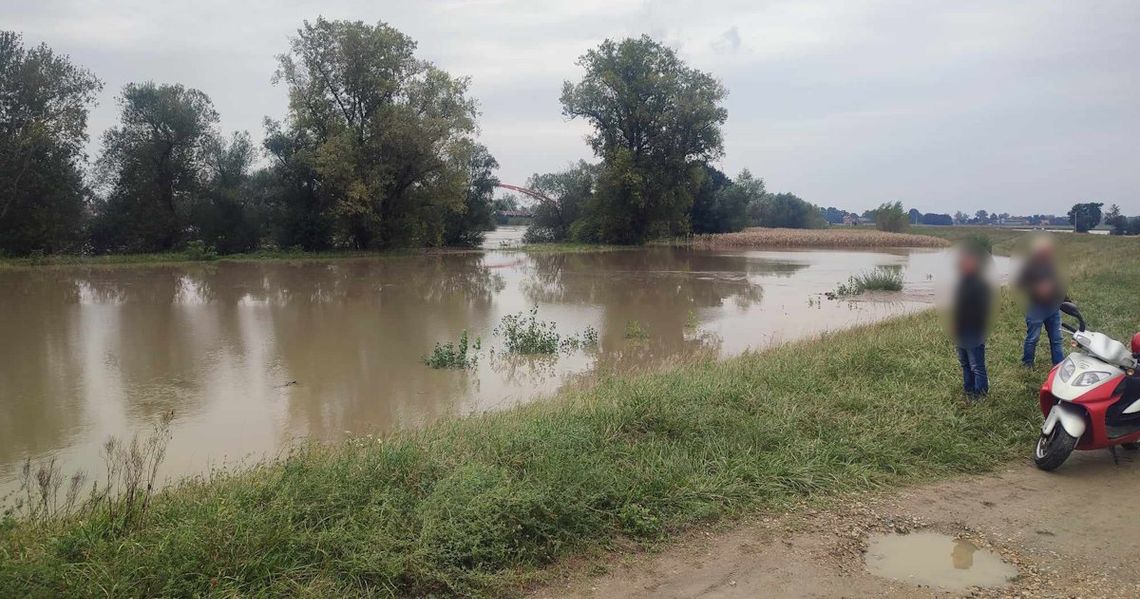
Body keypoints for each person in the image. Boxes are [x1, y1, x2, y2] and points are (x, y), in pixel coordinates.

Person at [1018, 237, 1065, 366]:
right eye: (1045, 251)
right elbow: (1021, 284)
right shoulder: (1029, 266)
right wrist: (1036, 289)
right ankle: (1027, 364)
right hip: (1036, 308)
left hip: (1053, 308)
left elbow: (1058, 285)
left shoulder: (1051, 265)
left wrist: (1066, 299)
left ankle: (1059, 366)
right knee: (1033, 338)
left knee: (1057, 339)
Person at [953, 245, 992, 399]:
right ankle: (968, 389)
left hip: (974, 329)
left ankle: (980, 394)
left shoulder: (980, 284)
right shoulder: (962, 281)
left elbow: (979, 310)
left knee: (976, 365)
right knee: (964, 362)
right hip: (961, 329)